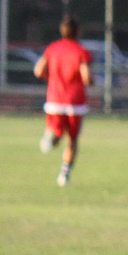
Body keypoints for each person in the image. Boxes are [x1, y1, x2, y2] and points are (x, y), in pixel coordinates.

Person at [33, 15, 92, 187]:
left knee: (57, 132)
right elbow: (87, 77)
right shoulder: (80, 51)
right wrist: (92, 81)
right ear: (78, 31)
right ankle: (64, 174)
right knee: (72, 140)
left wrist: (51, 78)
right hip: (75, 102)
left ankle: (51, 138)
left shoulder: (53, 48)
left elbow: (38, 70)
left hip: (55, 99)